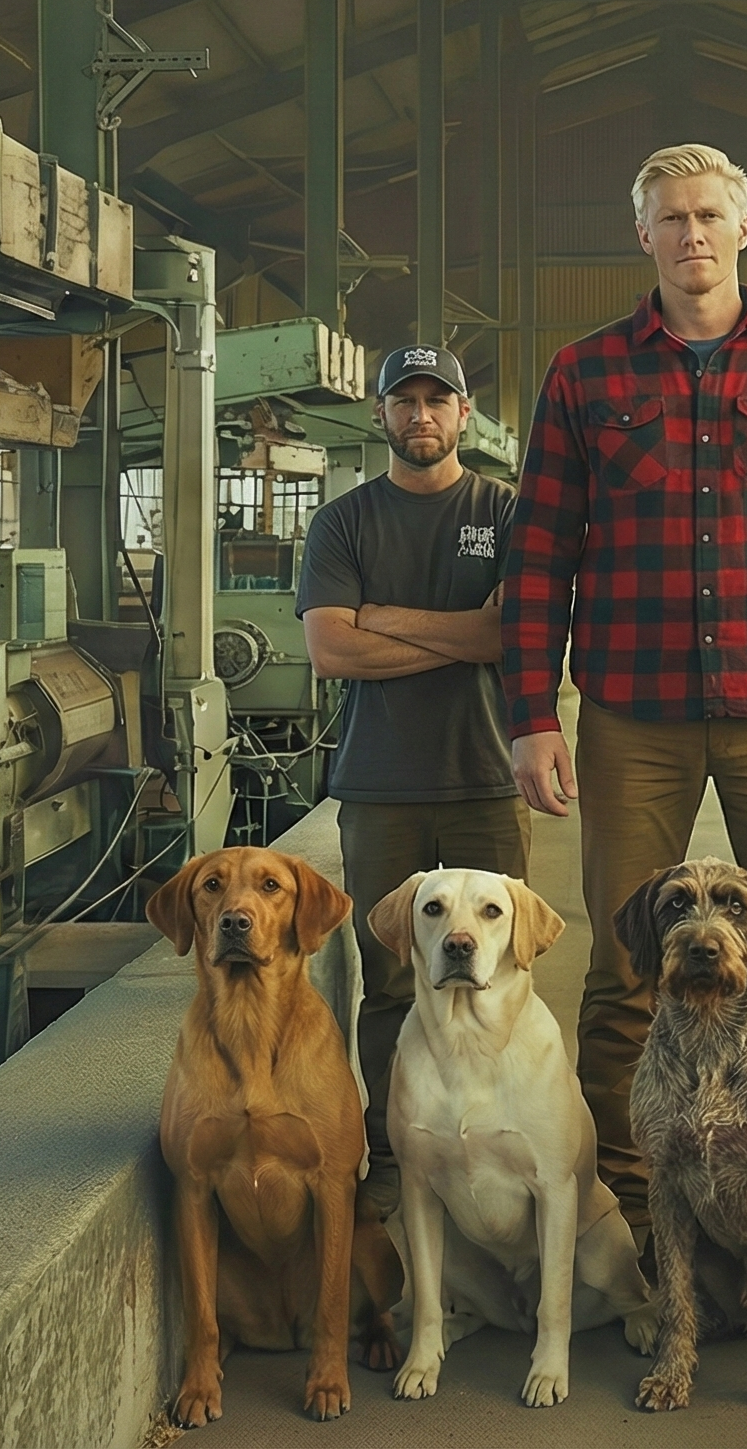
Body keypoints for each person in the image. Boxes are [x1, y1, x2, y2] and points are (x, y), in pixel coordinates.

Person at [501, 142, 747, 1231]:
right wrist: (534, 714)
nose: (691, 235)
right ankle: (619, 1212)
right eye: (670, 217)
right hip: (634, 711)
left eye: (709, 214)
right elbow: (540, 554)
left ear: (742, 226)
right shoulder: (586, 374)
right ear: (643, 235)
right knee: (627, 968)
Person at [297, 344, 526, 1209]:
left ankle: (500, 1147)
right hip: (380, 785)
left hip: (485, 779)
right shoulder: (345, 523)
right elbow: (329, 648)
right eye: (405, 400)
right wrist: (453, 627)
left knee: (495, 975)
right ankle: (398, 1161)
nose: (421, 415)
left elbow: (506, 639)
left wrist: (384, 620)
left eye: (439, 400)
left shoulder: (506, 512)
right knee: (391, 979)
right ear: (380, 414)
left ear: (465, 414)